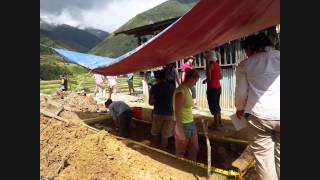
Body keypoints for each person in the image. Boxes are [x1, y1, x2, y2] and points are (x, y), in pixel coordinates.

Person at [235, 33, 280, 180]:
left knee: (265, 162)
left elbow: (241, 94)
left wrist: (240, 109)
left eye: (245, 50)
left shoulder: (244, 65)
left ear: (250, 47)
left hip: (259, 116)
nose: (245, 54)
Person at [173, 69, 200, 161]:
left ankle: (192, 167)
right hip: (183, 125)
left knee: (195, 148)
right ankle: (180, 171)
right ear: (191, 78)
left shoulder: (187, 90)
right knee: (180, 152)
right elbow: (177, 113)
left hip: (190, 123)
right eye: (195, 81)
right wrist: (180, 131)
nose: (195, 84)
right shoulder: (180, 91)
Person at [149, 70, 176, 150]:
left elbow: (150, 102)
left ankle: (156, 151)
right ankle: (163, 152)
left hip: (157, 113)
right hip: (169, 114)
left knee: (155, 133)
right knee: (165, 136)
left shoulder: (154, 87)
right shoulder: (172, 87)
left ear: (156, 78)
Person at [202, 50, 223, 129]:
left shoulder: (209, 66)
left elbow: (209, 78)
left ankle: (216, 124)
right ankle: (220, 122)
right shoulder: (218, 65)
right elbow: (221, 77)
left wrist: (205, 81)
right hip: (218, 87)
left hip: (212, 88)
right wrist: (215, 78)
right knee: (217, 104)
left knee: (213, 105)